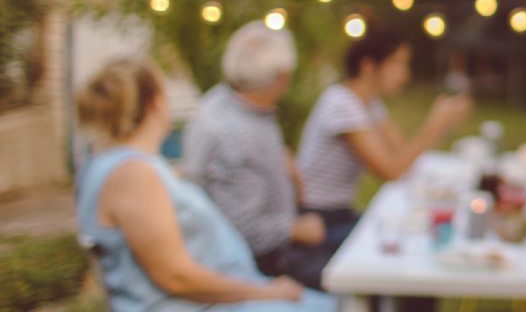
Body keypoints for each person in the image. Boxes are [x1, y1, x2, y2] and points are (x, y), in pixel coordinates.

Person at [74, 57, 334, 312]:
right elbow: (177, 277)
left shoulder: (118, 164)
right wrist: (265, 292)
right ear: (156, 103)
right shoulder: (134, 174)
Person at [294, 20, 472, 290]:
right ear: (368, 66)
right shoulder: (341, 104)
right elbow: (391, 172)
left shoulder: (369, 103)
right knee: (408, 249)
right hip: (319, 221)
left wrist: (441, 126)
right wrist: (434, 125)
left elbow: (403, 156)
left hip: (339, 215)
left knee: (414, 240)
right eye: (398, 63)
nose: (405, 74)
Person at [181, 21, 326, 288]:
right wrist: (295, 229)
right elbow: (239, 230)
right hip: (258, 267)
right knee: (364, 279)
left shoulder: (221, 101)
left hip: (261, 250)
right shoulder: (241, 133)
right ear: (282, 77)